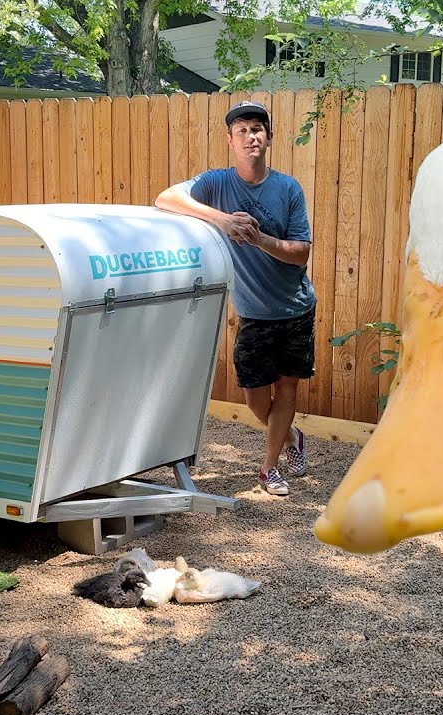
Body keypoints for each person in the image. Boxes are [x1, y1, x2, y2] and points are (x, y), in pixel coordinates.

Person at [154, 100, 315, 497]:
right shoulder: (217, 183)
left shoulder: (288, 188)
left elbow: (300, 253)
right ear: (230, 140)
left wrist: (259, 239)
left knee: (287, 389)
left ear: (269, 137)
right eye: (242, 131)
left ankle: (269, 468)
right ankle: (291, 436)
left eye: (257, 129)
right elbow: (165, 199)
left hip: (295, 308)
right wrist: (223, 220)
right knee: (256, 399)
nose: (250, 137)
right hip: (253, 313)